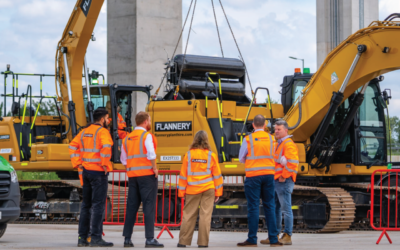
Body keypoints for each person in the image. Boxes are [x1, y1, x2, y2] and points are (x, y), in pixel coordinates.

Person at [69, 108, 114, 247]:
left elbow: (72, 146)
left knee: (86, 205)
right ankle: (95, 238)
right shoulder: (103, 132)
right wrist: (105, 164)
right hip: (98, 173)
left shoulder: (84, 132)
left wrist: (78, 164)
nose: (108, 121)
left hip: (86, 172)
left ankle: (82, 238)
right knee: (98, 206)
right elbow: (106, 147)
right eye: (107, 118)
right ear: (102, 119)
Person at [237, 115, 282, 247]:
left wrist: (252, 162)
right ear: (265, 124)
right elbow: (276, 156)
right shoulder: (271, 138)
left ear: (253, 125)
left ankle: (252, 239)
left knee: (253, 207)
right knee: (270, 206)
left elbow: (241, 158)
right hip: (269, 176)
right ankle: (273, 239)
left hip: (253, 176)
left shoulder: (248, 139)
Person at [121, 111, 164, 248]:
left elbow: (123, 159)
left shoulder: (127, 138)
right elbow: (151, 154)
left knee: (132, 207)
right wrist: (155, 168)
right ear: (145, 121)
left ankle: (127, 239)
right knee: (149, 206)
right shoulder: (147, 136)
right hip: (147, 176)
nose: (150, 123)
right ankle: (149, 239)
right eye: (149, 120)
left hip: (133, 178)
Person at [177, 131, 223, 248]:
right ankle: (203, 243)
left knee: (188, 215)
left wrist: (181, 192)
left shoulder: (188, 155)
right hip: (208, 189)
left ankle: (183, 242)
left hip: (192, 189)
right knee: (205, 216)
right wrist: (218, 192)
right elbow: (217, 176)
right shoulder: (211, 155)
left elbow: (183, 175)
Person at [262, 120, 298, 245]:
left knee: (285, 208)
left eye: (279, 129)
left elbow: (293, 163)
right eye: (275, 129)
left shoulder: (288, 144)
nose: (276, 131)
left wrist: (284, 176)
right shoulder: (280, 143)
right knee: (276, 208)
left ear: (286, 130)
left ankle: (287, 235)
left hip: (283, 180)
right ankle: (275, 235)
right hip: (277, 180)